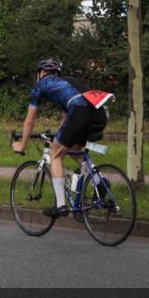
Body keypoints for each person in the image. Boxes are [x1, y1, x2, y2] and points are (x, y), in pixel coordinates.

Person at [11, 58, 111, 219]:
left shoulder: (41, 85)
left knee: (55, 154)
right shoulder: (68, 83)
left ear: (42, 73)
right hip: (99, 114)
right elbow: (66, 119)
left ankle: (60, 206)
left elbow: (30, 120)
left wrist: (22, 145)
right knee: (75, 150)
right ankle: (100, 182)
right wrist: (59, 137)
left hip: (80, 113)